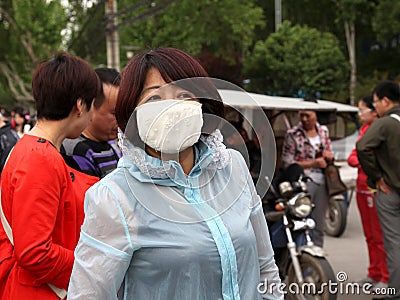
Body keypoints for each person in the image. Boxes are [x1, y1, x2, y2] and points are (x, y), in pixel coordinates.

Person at [67, 47, 283, 300]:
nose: (171, 108)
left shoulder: (233, 168)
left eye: (183, 94)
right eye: (154, 99)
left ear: (202, 105)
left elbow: (265, 267)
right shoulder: (114, 197)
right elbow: (88, 295)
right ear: (132, 114)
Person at [0, 52, 100, 299]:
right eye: (92, 106)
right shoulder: (40, 157)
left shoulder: (32, 149)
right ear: (79, 105)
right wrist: (92, 265)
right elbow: (35, 252)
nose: (92, 116)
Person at [357, 80, 400, 299]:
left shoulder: (385, 124)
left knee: (393, 243)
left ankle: (395, 291)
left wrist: (377, 178)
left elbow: (362, 147)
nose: (375, 108)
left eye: (375, 102)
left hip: (390, 191)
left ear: (385, 100)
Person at [347, 95, 388, 289]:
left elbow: (373, 160)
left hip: (375, 189)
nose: (360, 114)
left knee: (381, 236)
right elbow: (353, 158)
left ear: (375, 111)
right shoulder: (363, 130)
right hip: (361, 188)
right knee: (370, 236)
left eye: (363, 110)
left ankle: (386, 277)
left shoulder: (380, 131)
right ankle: (373, 273)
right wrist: (362, 161)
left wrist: (362, 161)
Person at [281, 99, 334, 248]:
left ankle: (318, 254)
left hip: (322, 180)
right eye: (302, 115)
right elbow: (287, 163)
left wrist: (329, 156)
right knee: (301, 221)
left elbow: (329, 151)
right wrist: (312, 163)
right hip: (302, 181)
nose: (304, 119)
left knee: (319, 222)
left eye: (308, 115)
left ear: (315, 114)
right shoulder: (292, 134)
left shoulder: (323, 131)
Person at [62, 67, 122, 178]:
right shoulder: (75, 151)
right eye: (114, 113)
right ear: (90, 107)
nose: (121, 119)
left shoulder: (113, 145)